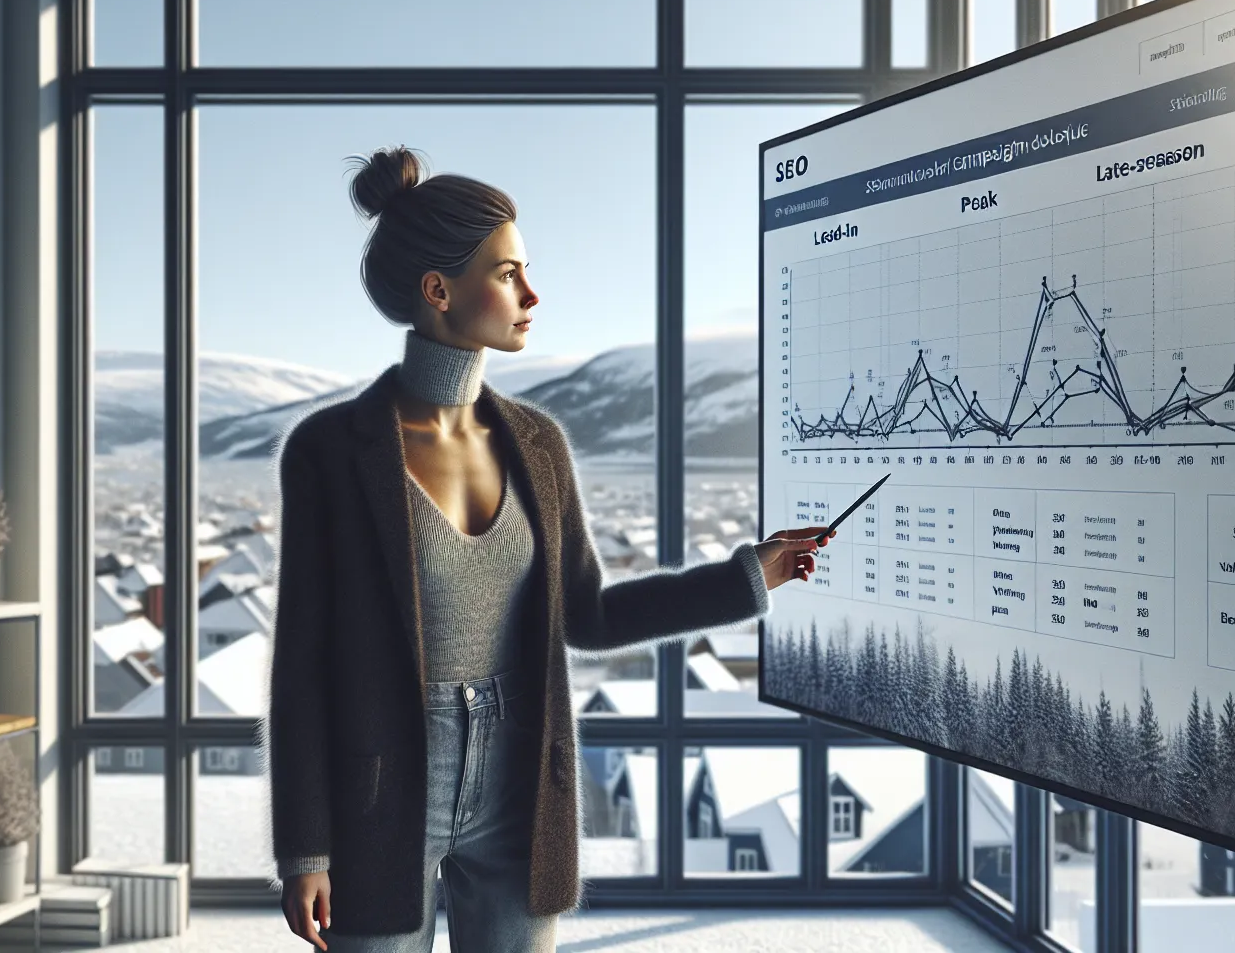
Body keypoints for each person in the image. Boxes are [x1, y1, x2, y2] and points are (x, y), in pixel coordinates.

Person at [269, 144, 832, 952]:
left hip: (522, 784)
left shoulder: (538, 444)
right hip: (381, 789)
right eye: (507, 275)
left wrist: (751, 575)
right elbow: (304, 662)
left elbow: (589, 614)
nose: (532, 295)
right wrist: (305, 849)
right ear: (438, 291)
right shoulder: (329, 451)